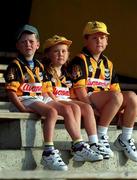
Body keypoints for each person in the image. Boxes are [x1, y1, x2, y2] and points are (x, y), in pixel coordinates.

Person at [4, 24, 103, 171]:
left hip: (40, 98)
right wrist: (21, 108)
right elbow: (11, 92)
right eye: (24, 42)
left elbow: (45, 90)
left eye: (31, 41)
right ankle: (48, 152)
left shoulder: (39, 66)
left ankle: (79, 145)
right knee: (52, 112)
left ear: (37, 44)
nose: (28, 44)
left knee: (69, 108)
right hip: (26, 99)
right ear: (18, 46)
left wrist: (55, 102)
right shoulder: (15, 65)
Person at [68, 21, 137, 162]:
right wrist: (91, 109)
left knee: (132, 96)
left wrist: (121, 111)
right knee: (117, 97)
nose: (99, 41)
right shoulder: (79, 60)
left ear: (107, 41)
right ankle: (100, 137)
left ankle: (125, 138)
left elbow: (116, 91)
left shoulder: (108, 63)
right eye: (94, 38)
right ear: (86, 40)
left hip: (107, 101)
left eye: (102, 37)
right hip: (86, 100)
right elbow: (80, 91)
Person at [42, 35, 110, 159]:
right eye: (56, 51)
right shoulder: (44, 70)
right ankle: (77, 145)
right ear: (47, 54)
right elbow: (45, 91)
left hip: (66, 100)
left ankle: (94, 143)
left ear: (68, 54)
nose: (60, 54)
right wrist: (58, 101)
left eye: (64, 51)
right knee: (75, 107)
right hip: (53, 101)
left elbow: (72, 94)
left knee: (87, 108)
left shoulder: (67, 72)